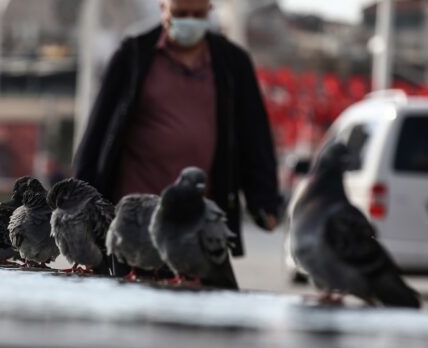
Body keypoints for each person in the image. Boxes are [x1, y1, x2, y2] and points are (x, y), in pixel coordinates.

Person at [74, 0, 280, 274]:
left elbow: (253, 134)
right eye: (181, 14)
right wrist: (82, 202)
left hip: (197, 226)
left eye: (197, 14)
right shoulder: (133, 55)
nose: (189, 21)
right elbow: (99, 132)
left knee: (205, 308)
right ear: (163, 9)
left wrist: (263, 199)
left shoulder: (232, 63)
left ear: (209, 10)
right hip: (132, 226)